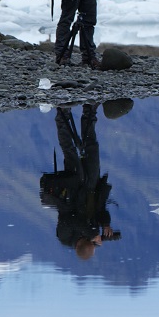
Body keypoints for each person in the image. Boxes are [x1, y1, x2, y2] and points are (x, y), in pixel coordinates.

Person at [40, 103, 118, 259]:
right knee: (92, 148)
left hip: (73, 186)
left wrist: (92, 233)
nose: (92, 239)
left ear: (80, 244)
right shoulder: (91, 233)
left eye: (90, 241)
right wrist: (105, 224)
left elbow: (70, 220)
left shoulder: (65, 237)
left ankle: (62, 114)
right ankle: (90, 110)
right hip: (91, 188)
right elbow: (100, 211)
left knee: (70, 151)